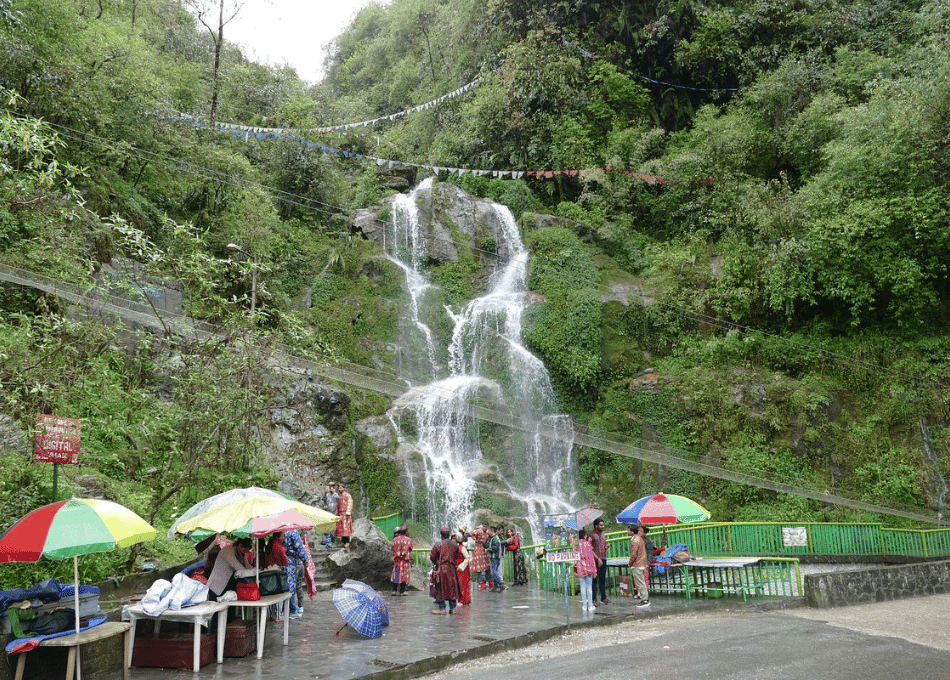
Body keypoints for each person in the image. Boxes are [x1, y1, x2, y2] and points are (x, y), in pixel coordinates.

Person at [429, 526, 461, 614]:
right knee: (452, 588)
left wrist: (437, 562)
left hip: (441, 569)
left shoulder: (438, 544)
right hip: (451, 569)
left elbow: (432, 557)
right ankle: (453, 608)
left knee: (440, 588)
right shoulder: (454, 544)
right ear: (449, 534)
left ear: (441, 535)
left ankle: (442, 608)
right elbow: (456, 555)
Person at [282, 530, 311, 618]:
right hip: (291, 560)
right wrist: (305, 559)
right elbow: (299, 547)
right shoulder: (293, 532)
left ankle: (285, 609)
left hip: (283, 559)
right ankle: (290, 610)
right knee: (292, 586)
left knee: (287, 585)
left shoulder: (282, 529)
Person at [628, 524, 651, 608]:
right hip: (642, 563)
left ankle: (644, 600)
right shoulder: (640, 538)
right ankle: (644, 599)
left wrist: (630, 563)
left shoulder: (635, 540)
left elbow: (633, 554)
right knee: (642, 582)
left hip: (637, 564)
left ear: (631, 531)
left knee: (640, 583)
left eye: (628, 530)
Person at [575, 528, 597, 611]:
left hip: (580, 568)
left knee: (582, 587)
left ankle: (584, 606)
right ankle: (590, 605)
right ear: (584, 536)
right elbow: (591, 558)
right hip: (588, 568)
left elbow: (576, 558)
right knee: (589, 587)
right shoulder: (587, 544)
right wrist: (594, 570)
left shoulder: (576, 546)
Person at [590, 518, 609, 604]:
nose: (602, 526)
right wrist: (597, 558)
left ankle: (603, 597)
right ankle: (593, 598)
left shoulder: (603, 534)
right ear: (596, 525)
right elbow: (589, 549)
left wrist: (605, 547)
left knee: (603, 579)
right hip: (595, 560)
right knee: (594, 579)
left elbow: (603, 544)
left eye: (603, 525)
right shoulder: (591, 535)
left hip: (603, 558)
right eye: (601, 525)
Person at [390, 524, 413, 596]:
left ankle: (394, 590)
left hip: (397, 560)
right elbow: (411, 548)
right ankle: (402, 591)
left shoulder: (395, 539)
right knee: (404, 575)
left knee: (396, 574)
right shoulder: (409, 540)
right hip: (405, 561)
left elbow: (392, 548)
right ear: (406, 532)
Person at [470, 522, 491, 589]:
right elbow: (471, 534)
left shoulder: (488, 532)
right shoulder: (478, 531)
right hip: (478, 550)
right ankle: (480, 582)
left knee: (487, 566)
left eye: (486, 526)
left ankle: (488, 581)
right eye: (484, 526)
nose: (485, 527)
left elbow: (493, 535)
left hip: (484, 550)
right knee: (479, 567)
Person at [485, 525, 506, 592]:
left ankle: (500, 583)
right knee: (494, 571)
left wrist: (488, 550)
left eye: (489, 531)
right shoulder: (493, 538)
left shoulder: (495, 539)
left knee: (493, 572)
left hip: (495, 557)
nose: (487, 532)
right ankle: (496, 586)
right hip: (496, 557)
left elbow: (495, 548)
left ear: (492, 531)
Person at [455, 529, 472, 605]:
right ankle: (463, 599)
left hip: (462, 569)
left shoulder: (462, 548)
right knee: (460, 584)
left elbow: (467, 557)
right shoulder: (458, 547)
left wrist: (462, 566)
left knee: (462, 584)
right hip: (458, 567)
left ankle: (462, 600)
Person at [335, 483, 354, 549]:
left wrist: (348, 512)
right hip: (340, 514)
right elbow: (337, 505)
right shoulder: (339, 496)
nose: (339, 489)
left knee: (346, 528)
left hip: (345, 513)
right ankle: (343, 542)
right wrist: (336, 513)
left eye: (341, 487)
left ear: (344, 488)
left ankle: (347, 542)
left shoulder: (347, 495)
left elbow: (350, 503)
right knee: (341, 529)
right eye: (339, 487)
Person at [322, 483, 340, 548]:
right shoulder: (327, 494)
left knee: (332, 528)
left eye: (333, 486)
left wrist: (335, 493)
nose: (331, 488)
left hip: (333, 512)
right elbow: (323, 500)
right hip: (327, 512)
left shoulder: (336, 495)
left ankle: (330, 542)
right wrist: (325, 493)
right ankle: (328, 542)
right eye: (330, 486)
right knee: (327, 527)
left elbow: (339, 500)